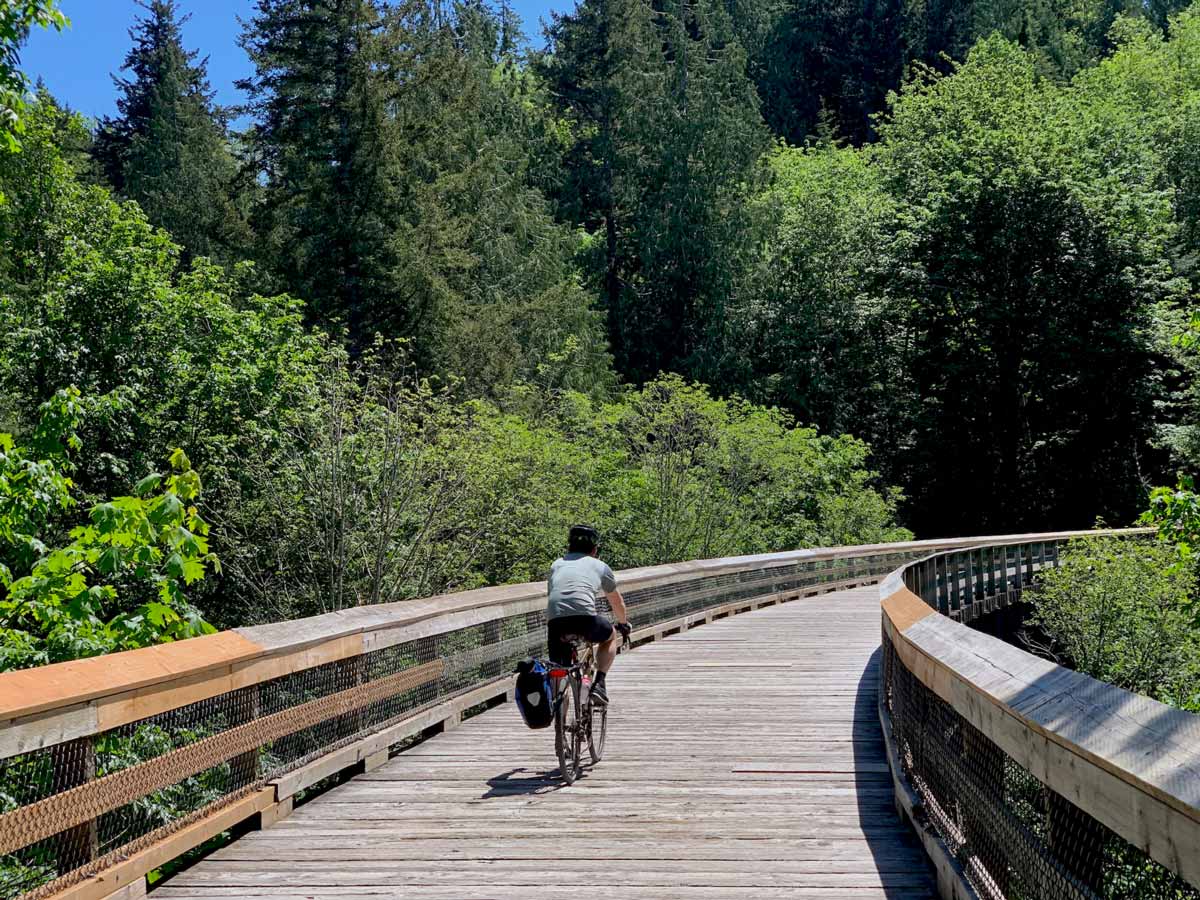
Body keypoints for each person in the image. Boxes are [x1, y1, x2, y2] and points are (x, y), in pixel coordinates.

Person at [546, 524, 631, 705]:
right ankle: (599, 683)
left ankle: (559, 719)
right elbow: (616, 602)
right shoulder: (600, 566)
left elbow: (553, 596)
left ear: (568, 546)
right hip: (585, 620)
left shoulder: (556, 565)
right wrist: (623, 623)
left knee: (560, 671)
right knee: (610, 636)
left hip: (556, 622)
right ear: (594, 549)